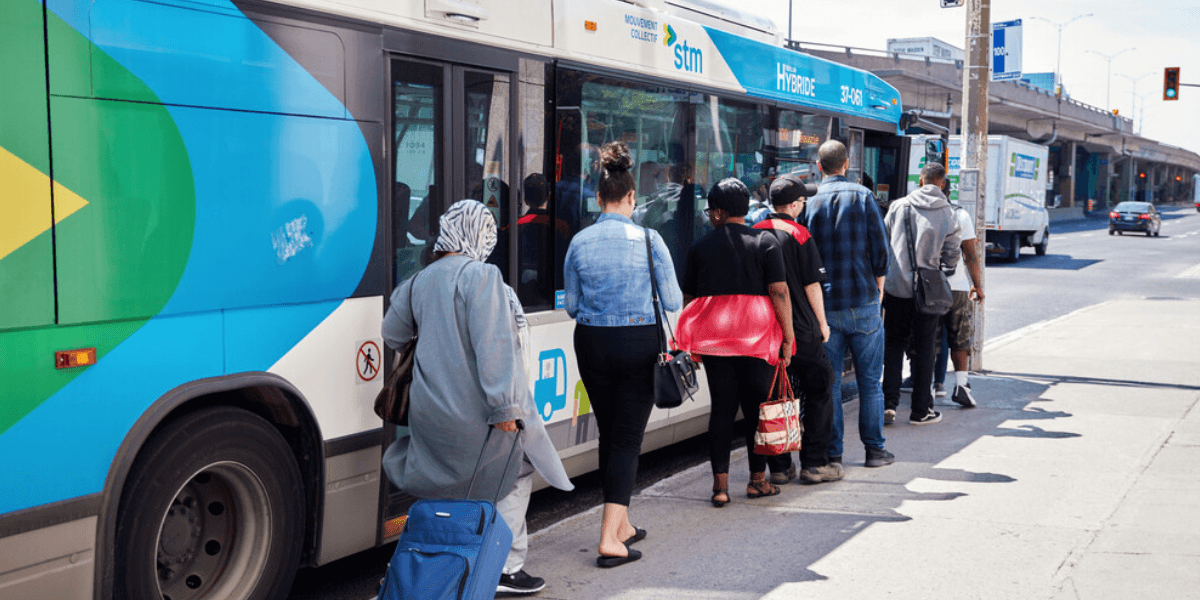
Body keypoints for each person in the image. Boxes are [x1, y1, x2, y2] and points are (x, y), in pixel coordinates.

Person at [381, 199, 573, 595]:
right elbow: (494, 345)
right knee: (516, 472)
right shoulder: (483, 277)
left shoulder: (419, 280)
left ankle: (434, 565)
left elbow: (392, 333)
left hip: (428, 413)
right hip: (477, 415)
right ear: (479, 237)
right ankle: (505, 566)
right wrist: (505, 407)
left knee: (447, 485)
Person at [563, 142, 683, 569]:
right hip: (639, 344)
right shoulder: (650, 239)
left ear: (598, 197)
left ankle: (622, 525)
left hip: (592, 344)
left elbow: (572, 306)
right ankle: (608, 540)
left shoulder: (579, 242)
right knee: (628, 439)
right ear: (632, 197)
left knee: (610, 433)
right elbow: (673, 300)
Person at [676, 178, 794, 508]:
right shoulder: (766, 242)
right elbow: (779, 292)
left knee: (722, 411)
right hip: (758, 340)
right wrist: (788, 337)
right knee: (757, 410)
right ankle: (757, 481)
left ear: (718, 212)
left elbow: (690, 299)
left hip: (716, 341)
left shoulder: (700, 247)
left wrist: (691, 339)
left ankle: (720, 487)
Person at [803, 139, 894, 469]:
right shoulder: (863, 195)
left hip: (824, 307)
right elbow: (880, 248)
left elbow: (804, 255)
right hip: (863, 300)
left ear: (819, 166)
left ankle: (834, 453)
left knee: (830, 386)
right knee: (870, 384)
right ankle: (875, 451)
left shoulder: (809, 202)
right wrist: (878, 288)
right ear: (847, 164)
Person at [753, 175, 841, 485]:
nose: (803, 206)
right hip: (801, 331)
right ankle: (814, 464)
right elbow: (812, 285)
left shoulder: (754, 231)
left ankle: (779, 467)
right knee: (820, 388)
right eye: (802, 201)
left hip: (766, 333)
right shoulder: (800, 234)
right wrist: (822, 324)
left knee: (776, 396)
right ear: (793, 205)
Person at [881, 162, 961, 425]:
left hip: (896, 288)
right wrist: (943, 268)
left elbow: (884, 241)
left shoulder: (898, 206)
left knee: (894, 345)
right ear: (942, 184)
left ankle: (888, 404)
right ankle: (920, 410)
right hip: (928, 291)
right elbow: (953, 252)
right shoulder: (948, 212)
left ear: (920, 181)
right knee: (925, 348)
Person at [937, 194, 984, 408]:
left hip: (928, 286)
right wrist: (977, 285)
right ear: (948, 192)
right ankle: (961, 386)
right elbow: (971, 255)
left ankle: (926, 389)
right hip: (956, 287)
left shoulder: (917, 210)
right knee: (959, 338)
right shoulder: (961, 214)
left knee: (927, 338)